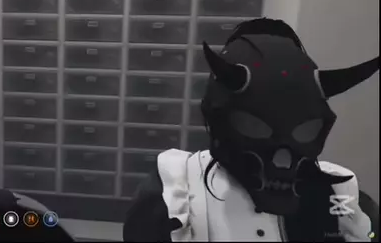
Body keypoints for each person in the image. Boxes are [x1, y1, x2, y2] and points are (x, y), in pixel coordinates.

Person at [123, 18, 379, 242]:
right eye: (255, 126)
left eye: (305, 130)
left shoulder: (345, 201)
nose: (282, 160)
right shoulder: (170, 196)